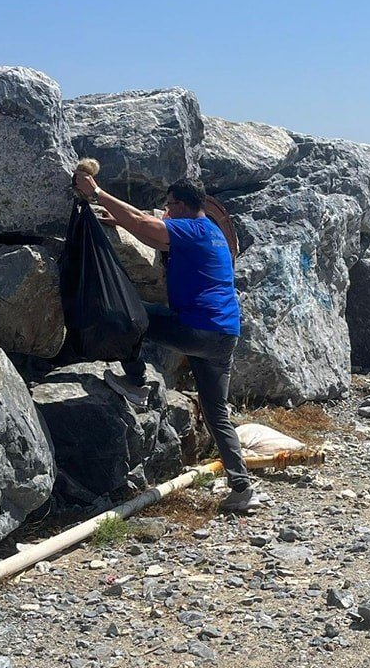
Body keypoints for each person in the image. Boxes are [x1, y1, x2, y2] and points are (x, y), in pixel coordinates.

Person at [72, 170, 263, 513]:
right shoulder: (212, 231)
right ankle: (241, 487)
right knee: (216, 412)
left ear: (185, 206)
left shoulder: (191, 229)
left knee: (131, 315)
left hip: (197, 328)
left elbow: (147, 229)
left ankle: (135, 381)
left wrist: (98, 193)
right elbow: (147, 221)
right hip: (224, 336)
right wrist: (117, 213)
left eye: (170, 205)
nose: (166, 211)